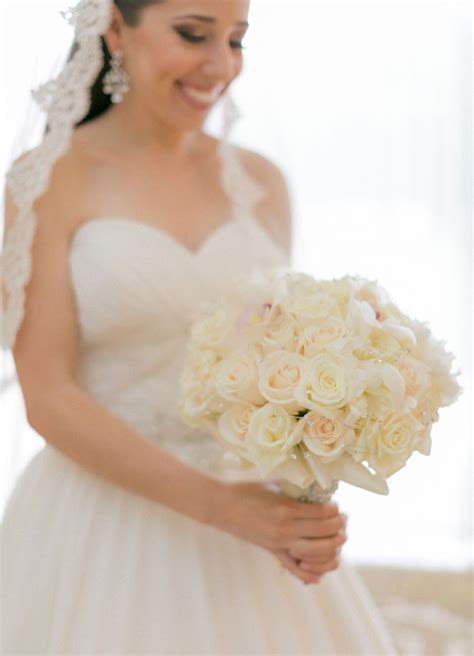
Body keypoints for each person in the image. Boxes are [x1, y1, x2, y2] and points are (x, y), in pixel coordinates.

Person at [1, 0, 399, 653]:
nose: (219, 66)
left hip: (255, 529)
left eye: (236, 39)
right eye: (193, 33)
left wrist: (307, 493)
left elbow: (285, 373)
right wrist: (227, 509)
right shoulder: (47, 180)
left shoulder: (262, 183)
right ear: (116, 29)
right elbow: (48, 395)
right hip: (102, 524)